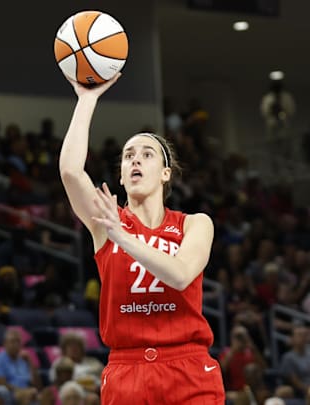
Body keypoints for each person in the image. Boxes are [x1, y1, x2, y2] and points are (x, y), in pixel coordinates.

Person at [58, 73, 224, 403]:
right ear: (121, 175)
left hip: (188, 368)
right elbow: (70, 172)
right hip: (127, 370)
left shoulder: (194, 224)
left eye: (147, 154)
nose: (135, 158)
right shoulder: (107, 221)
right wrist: (87, 99)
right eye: (128, 155)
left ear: (165, 173)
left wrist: (124, 237)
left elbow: (179, 275)